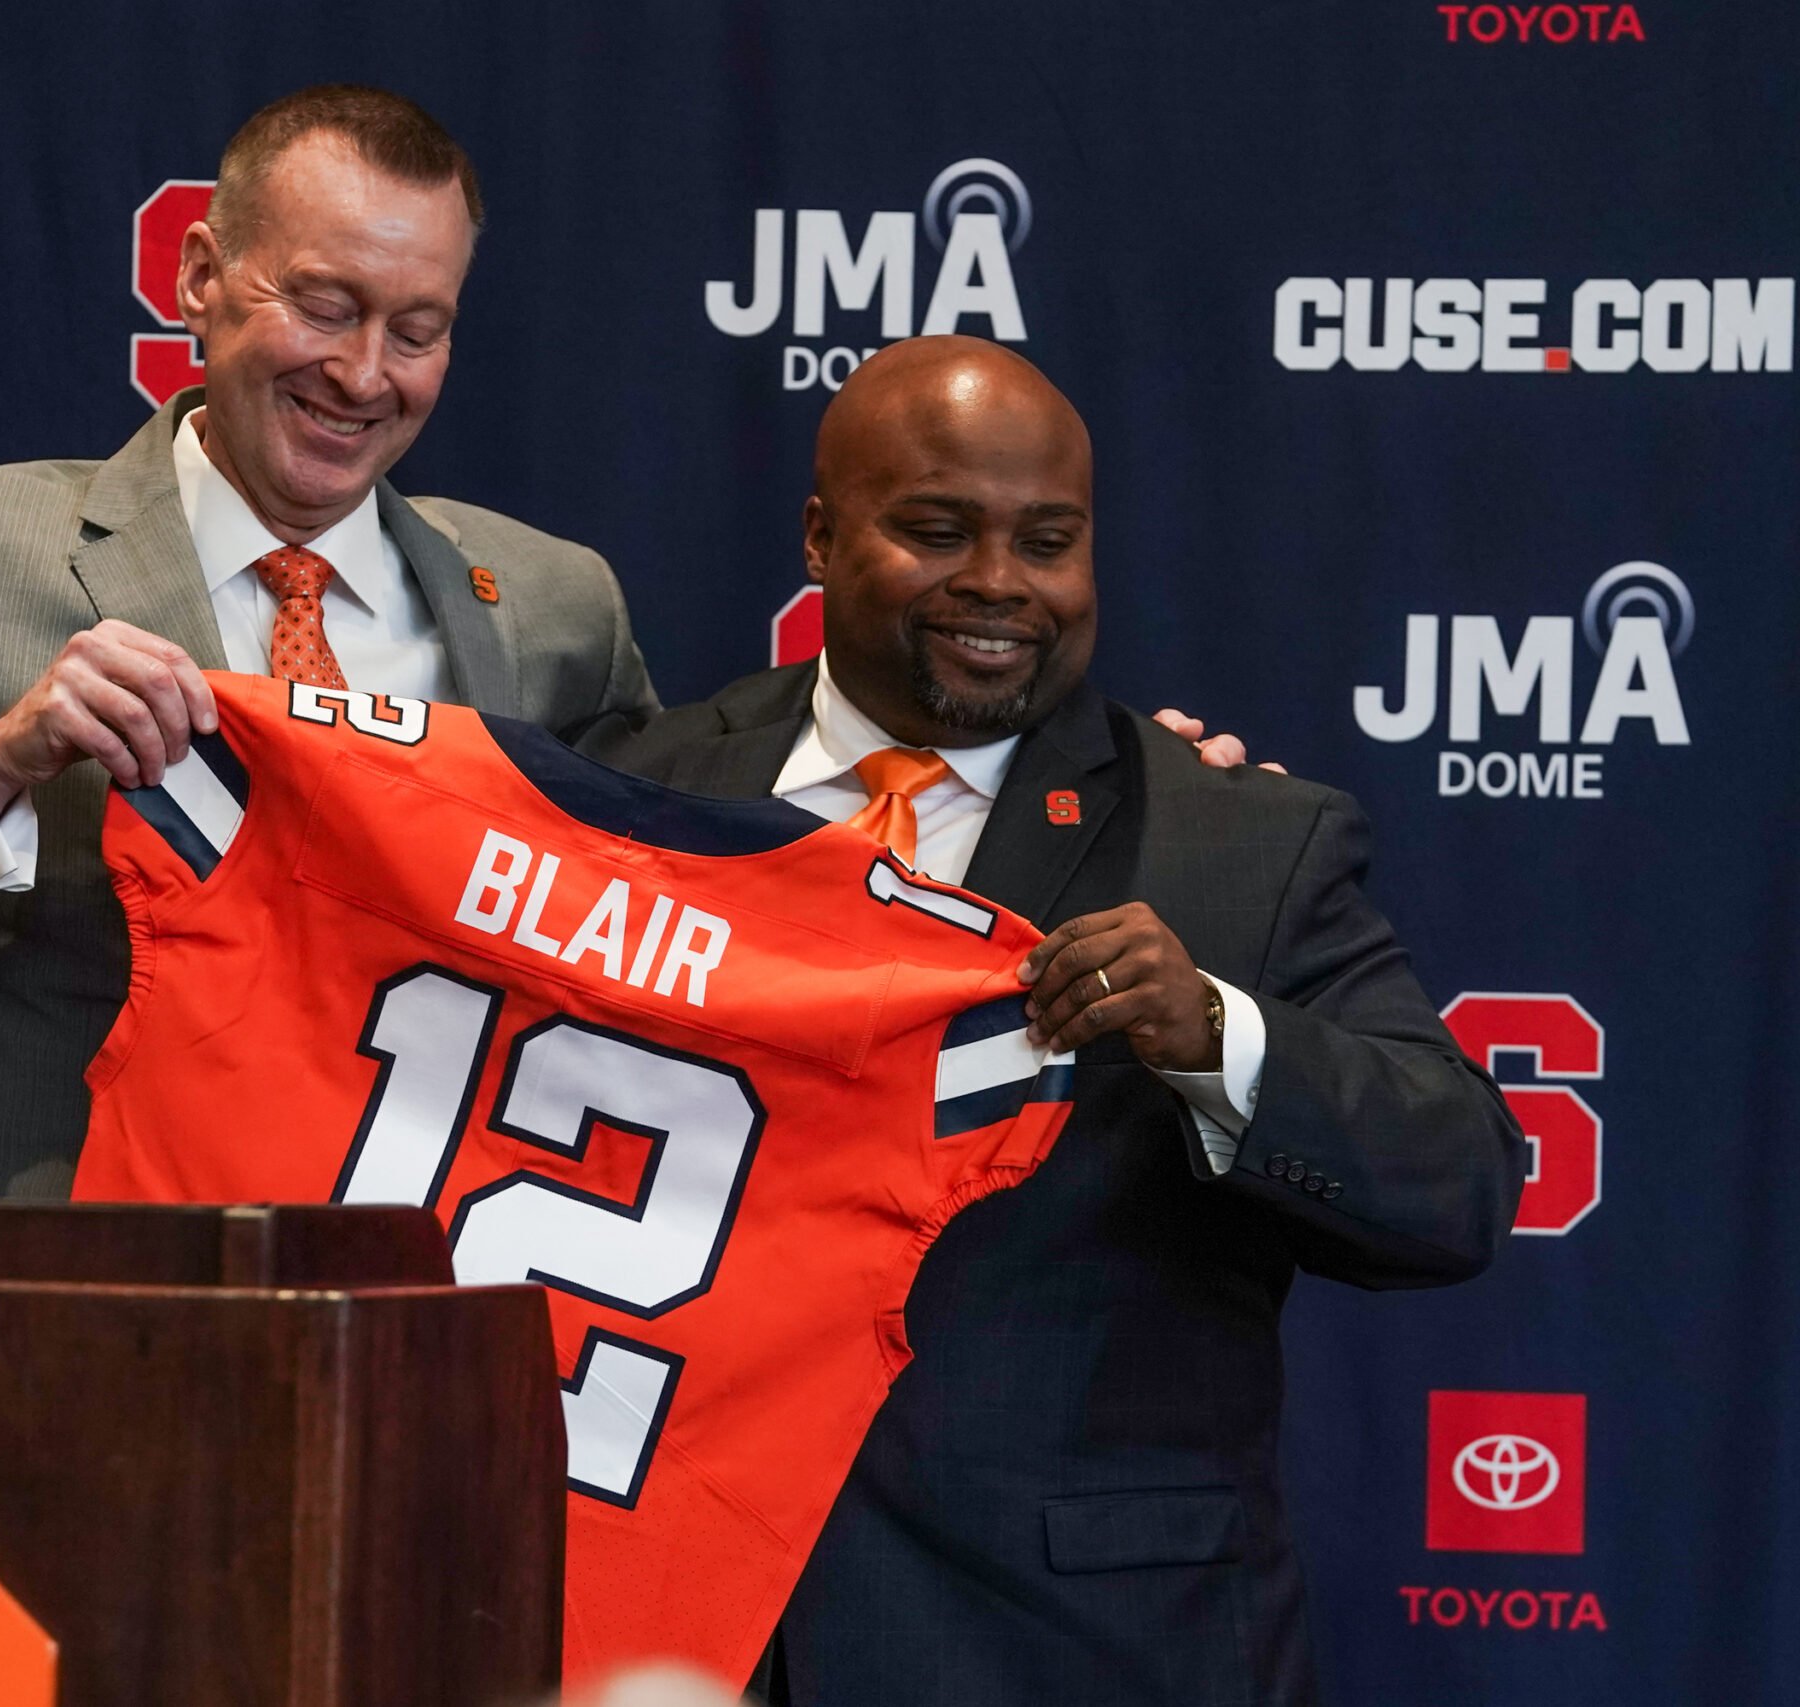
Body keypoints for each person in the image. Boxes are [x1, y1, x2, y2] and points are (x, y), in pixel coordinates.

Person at [578, 336, 1527, 1706]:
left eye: (1048, 539)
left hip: (1076, 1647)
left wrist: (1216, 1034)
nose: (998, 584)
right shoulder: (635, 792)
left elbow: (1461, 1179)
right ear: (820, 532)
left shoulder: (1236, 840)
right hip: (671, 1633)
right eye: (936, 528)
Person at [0, 86, 660, 1197]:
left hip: (398, 1315)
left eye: (416, 331)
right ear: (198, 277)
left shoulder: (557, 611)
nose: (366, 374)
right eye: (324, 306)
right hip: (32, 1309)